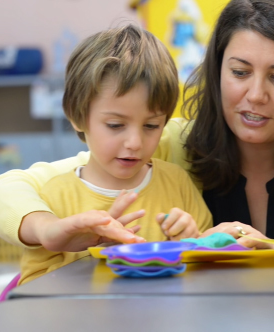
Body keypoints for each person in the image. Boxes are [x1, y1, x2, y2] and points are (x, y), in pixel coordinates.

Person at [0, 0, 274, 251]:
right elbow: (9, 188)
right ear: (217, 72)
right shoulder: (171, 142)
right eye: (239, 71)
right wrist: (46, 229)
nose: (255, 94)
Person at [17, 25, 212, 285]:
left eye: (151, 126)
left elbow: (211, 273)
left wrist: (193, 241)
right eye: (115, 125)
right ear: (77, 116)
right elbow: (32, 287)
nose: (134, 143)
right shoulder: (54, 199)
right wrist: (91, 253)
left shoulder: (177, 183)